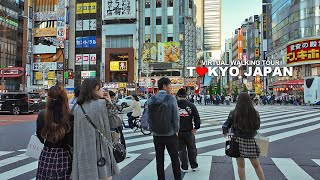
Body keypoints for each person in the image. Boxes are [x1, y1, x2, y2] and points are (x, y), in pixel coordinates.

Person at [72, 78, 120, 180]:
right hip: (101, 152)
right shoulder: (103, 104)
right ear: (92, 89)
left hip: (83, 154)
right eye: (100, 87)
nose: (103, 90)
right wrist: (110, 102)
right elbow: (116, 122)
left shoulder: (77, 108)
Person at [222, 92, 265, 180]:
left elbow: (226, 126)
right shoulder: (255, 112)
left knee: (241, 166)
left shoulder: (234, 112)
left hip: (237, 140)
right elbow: (257, 126)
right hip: (251, 140)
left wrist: (228, 138)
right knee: (256, 165)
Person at [146, 77, 181, 180]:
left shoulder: (151, 99)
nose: (171, 88)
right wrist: (176, 130)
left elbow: (148, 118)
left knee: (159, 159)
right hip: (170, 134)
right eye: (170, 85)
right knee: (174, 158)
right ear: (165, 86)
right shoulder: (171, 98)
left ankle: (161, 178)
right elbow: (175, 117)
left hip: (157, 135)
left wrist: (153, 130)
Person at [36, 85, 73, 179]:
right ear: (65, 99)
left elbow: (40, 136)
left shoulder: (42, 114)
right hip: (64, 156)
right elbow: (72, 141)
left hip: (47, 154)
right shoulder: (70, 116)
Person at [176, 88, 201, 172]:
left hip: (178, 131)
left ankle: (184, 167)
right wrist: (196, 127)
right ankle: (194, 166)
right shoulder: (191, 105)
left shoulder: (174, 105)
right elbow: (197, 117)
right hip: (189, 130)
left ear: (177, 96)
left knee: (181, 149)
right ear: (185, 96)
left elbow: (169, 118)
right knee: (192, 148)